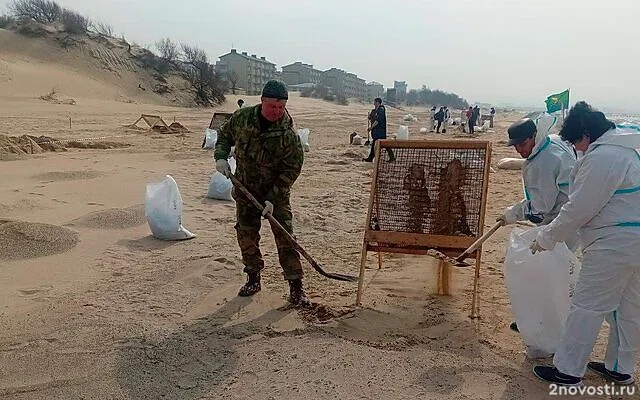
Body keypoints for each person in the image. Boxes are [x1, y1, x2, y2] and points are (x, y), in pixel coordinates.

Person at [530, 101, 640, 387]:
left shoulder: (605, 157)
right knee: (627, 308)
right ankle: (620, 367)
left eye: (577, 143)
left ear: (587, 135)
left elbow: (579, 208)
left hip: (614, 243)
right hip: (634, 242)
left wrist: (546, 237)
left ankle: (568, 370)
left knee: (587, 305)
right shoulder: (628, 147)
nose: (577, 149)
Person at [214, 80, 310, 306]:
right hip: (245, 189)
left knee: (286, 238)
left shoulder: (288, 135)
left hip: (275, 194)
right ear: (262, 101)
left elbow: (291, 170)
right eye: (272, 106)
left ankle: (296, 286)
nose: (277, 112)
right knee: (246, 235)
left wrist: (273, 199)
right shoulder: (242, 118)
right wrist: (220, 156)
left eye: (281, 107)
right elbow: (224, 134)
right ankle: (253, 278)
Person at [498, 115, 577, 332]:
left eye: (523, 144)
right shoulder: (548, 144)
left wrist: (512, 214)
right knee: (547, 269)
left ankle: (544, 322)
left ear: (534, 136)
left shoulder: (545, 161)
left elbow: (540, 206)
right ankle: (535, 318)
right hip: (562, 217)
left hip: (563, 221)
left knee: (547, 271)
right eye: (515, 147)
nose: (520, 151)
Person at [363, 97, 395, 162]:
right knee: (384, 144)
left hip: (380, 131)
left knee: (377, 144)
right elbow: (373, 118)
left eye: (374, 102)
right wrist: (370, 117)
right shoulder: (376, 110)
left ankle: (370, 158)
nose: (374, 103)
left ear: (377, 102)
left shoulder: (381, 110)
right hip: (377, 131)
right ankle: (391, 157)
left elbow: (377, 121)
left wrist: (371, 128)